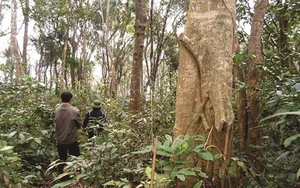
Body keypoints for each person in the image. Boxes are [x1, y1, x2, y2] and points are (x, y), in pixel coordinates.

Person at [54, 91, 82, 174]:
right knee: (76, 159)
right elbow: (80, 125)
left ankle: (61, 176)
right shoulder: (75, 111)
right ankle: (75, 175)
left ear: (61, 99)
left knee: (62, 159)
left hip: (60, 140)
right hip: (71, 140)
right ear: (70, 99)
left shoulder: (57, 110)